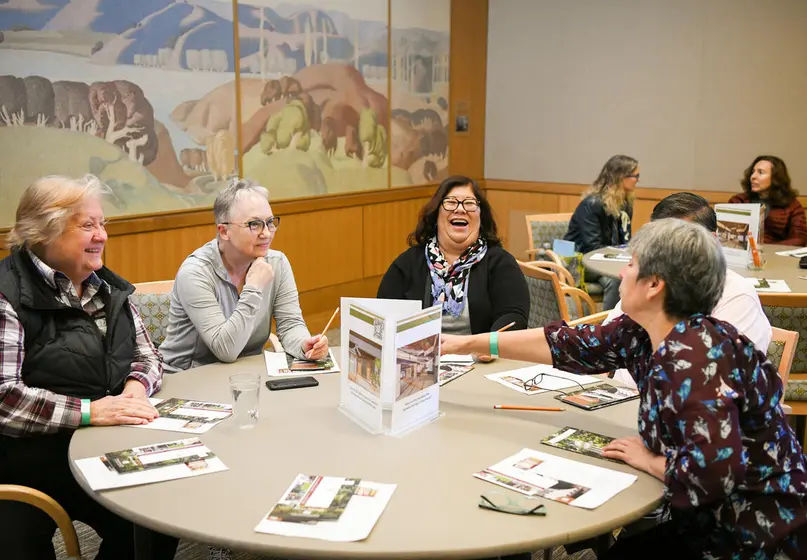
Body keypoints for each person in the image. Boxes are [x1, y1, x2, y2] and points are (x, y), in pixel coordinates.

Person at [442, 219, 807, 559]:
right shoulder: (642, 332)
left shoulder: (694, 358)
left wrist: (651, 460)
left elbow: (713, 473)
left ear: (654, 284)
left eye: (631, 264)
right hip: (703, 518)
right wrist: (465, 345)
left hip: (751, 534)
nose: (621, 272)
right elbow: (564, 344)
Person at [0, 175, 177, 559]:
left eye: (103, 224)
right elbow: (5, 400)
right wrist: (92, 411)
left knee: (156, 520)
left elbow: (149, 357)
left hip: (101, 446)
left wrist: (134, 389)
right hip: (24, 458)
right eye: (87, 225)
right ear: (43, 231)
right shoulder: (6, 294)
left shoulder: (109, 289)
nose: (102, 235)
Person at [160, 178, 328, 372]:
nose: (266, 233)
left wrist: (304, 344)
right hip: (188, 377)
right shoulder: (195, 272)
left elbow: (291, 325)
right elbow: (226, 350)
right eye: (254, 224)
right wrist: (254, 288)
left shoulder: (277, 262)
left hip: (244, 373)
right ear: (224, 231)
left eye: (270, 223)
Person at [606, 192, 771, 388]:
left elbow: (712, 383)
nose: (663, 253)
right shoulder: (650, 282)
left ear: (711, 242)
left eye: (676, 242)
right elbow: (604, 341)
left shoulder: (736, 296)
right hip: (623, 400)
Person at [377, 175, 529, 336]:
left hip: (480, 357)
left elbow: (514, 316)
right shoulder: (407, 263)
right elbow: (383, 315)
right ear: (436, 216)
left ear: (480, 217)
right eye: (450, 202)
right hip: (419, 357)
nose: (460, 209)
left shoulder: (500, 263)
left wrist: (487, 345)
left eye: (469, 203)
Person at [564, 154, 638, 309]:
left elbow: (625, 240)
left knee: (633, 275)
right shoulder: (592, 204)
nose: (637, 180)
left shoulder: (625, 203)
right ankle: (608, 327)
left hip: (607, 259)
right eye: (635, 176)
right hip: (580, 260)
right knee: (618, 279)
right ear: (620, 177)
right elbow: (593, 247)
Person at [729, 155, 807, 246]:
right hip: (744, 254)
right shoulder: (739, 201)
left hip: (778, 255)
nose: (753, 177)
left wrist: (768, 249)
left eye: (761, 172)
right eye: (753, 172)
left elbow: (799, 239)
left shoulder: (792, 205)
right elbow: (729, 235)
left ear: (775, 178)